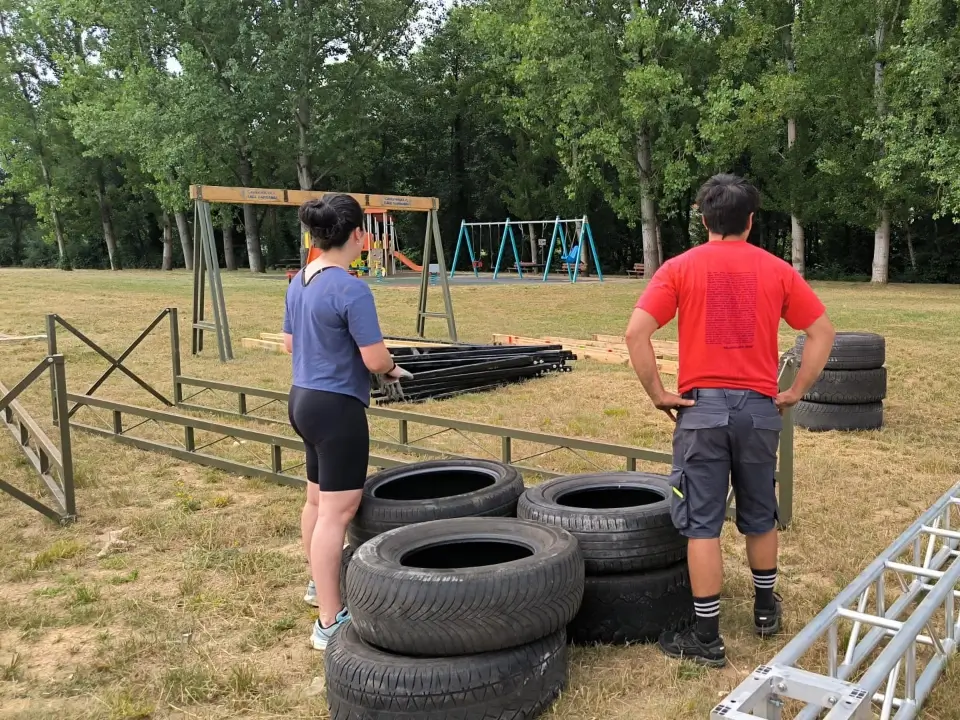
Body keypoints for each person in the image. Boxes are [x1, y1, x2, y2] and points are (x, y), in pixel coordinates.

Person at [624, 173, 836, 667]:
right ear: (751, 221)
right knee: (760, 513)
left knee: (702, 524)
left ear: (704, 220)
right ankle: (764, 611)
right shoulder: (778, 270)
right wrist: (796, 391)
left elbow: (636, 333)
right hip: (760, 410)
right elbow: (822, 332)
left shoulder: (679, 268)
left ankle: (707, 636)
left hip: (702, 411)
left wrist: (659, 394)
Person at [282, 193, 411, 650]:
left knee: (316, 502)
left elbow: (289, 344)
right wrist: (392, 369)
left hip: (301, 400)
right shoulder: (351, 288)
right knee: (338, 513)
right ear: (358, 235)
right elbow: (375, 358)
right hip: (336, 409)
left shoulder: (300, 281)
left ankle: (319, 585)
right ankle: (329, 622)